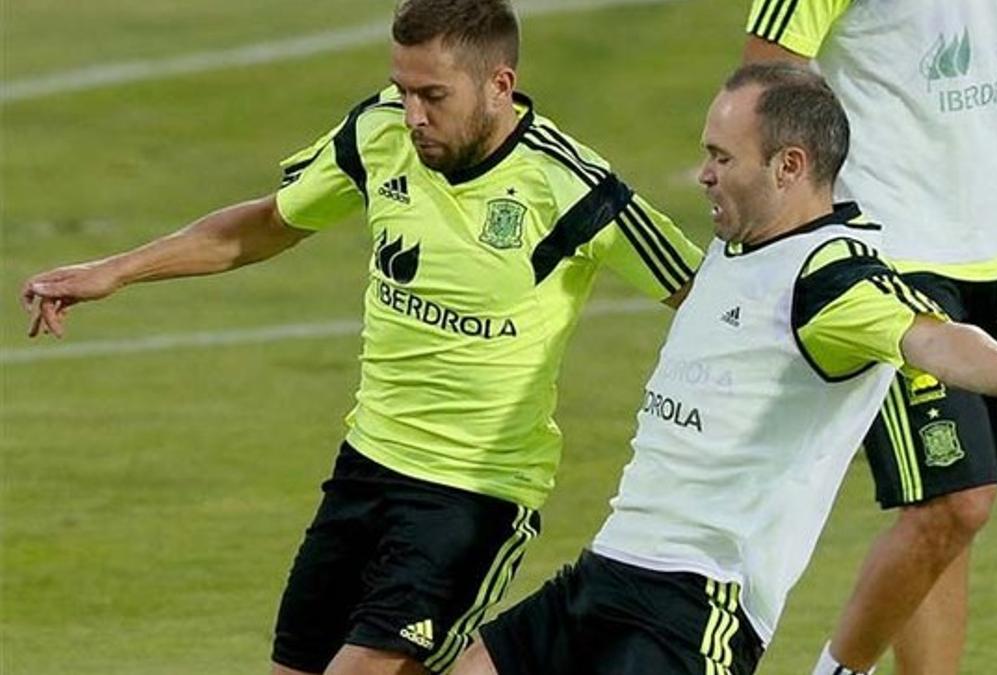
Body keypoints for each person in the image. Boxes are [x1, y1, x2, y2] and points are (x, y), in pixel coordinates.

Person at [19, 1, 703, 673]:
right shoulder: (378, 133)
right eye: (403, 90)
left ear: (499, 84)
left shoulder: (572, 186)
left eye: (433, 95)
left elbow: (704, 295)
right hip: (364, 468)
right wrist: (115, 270)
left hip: (473, 495)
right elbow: (268, 223)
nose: (412, 116)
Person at [448, 62, 997, 675]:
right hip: (605, 571)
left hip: (696, 605)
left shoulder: (835, 280)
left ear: (788, 166)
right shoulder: (739, 245)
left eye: (721, 156)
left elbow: (931, 340)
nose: (704, 173)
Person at [741, 1, 997, 672]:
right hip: (887, 250)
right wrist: (786, 239)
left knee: (960, 508)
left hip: (993, 252)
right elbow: (764, 79)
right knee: (954, 501)